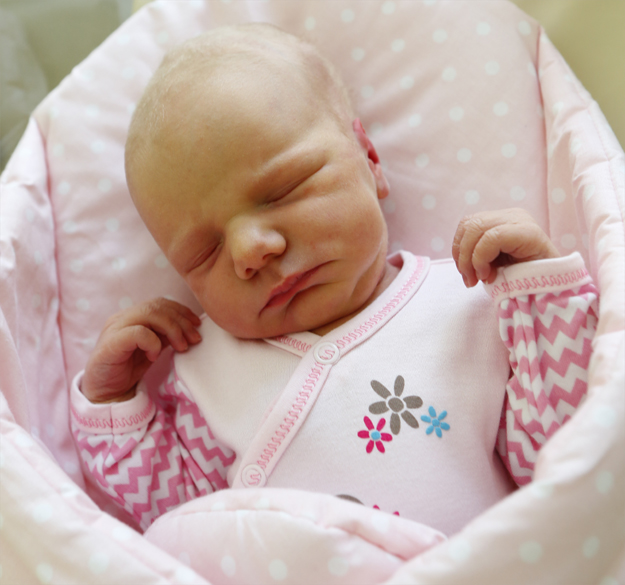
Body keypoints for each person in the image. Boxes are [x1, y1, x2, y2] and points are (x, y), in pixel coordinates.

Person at [70, 23, 598, 535]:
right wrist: (113, 402)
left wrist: (543, 298)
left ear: (369, 160)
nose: (250, 250)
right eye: (204, 253)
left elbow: (559, 461)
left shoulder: (467, 306)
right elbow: (179, 519)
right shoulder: (209, 372)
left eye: (282, 191)